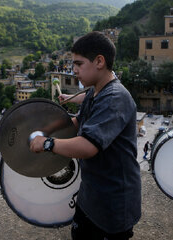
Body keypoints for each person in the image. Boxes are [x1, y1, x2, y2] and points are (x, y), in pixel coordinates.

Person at [30, 31, 141, 240]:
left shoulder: (115, 98)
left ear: (99, 61)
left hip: (114, 201)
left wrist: (47, 143)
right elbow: (79, 121)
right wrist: (51, 128)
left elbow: (89, 146)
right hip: (91, 194)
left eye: (79, 64)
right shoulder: (94, 91)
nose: (74, 71)